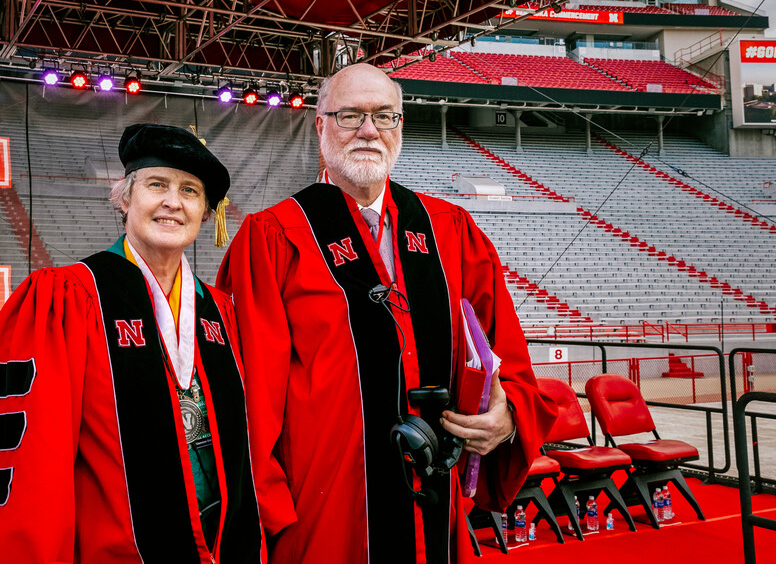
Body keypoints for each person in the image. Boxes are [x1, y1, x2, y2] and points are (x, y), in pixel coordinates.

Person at [217, 64, 556, 564]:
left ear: (400, 125)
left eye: (384, 116)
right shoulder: (273, 238)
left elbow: (507, 355)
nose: (369, 131)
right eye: (350, 115)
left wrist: (508, 417)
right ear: (320, 125)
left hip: (434, 501)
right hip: (327, 508)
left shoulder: (450, 230)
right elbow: (247, 394)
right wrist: (267, 508)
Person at [0, 124, 264, 564]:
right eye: (158, 185)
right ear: (124, 199)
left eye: (191, 191)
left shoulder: (219, 311)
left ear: (208, 213)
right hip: (117, 547)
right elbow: (31, 461)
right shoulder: (67, 299)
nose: (174, 202)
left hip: (225, 541)